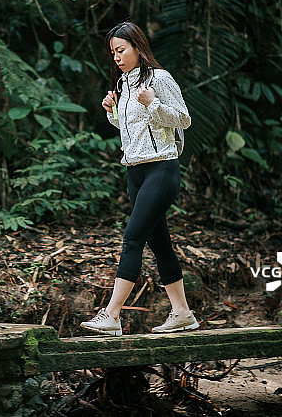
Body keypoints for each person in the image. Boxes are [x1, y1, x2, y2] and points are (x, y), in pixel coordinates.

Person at [80, 21, 198, 335]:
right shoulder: (123, 84)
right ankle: (182, 312)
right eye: (112, 53)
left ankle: (112, 315)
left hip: (162, 168)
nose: (116, 57)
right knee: (160, 244)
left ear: (137, 47)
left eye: (121, 50)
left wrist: (153, 102)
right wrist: (112, 111)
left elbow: (183, 120)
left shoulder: (160, 78)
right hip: (135, 171)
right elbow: (131, 129)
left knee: (133, 239)